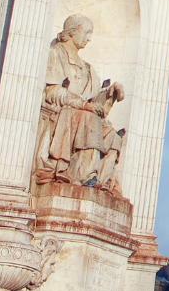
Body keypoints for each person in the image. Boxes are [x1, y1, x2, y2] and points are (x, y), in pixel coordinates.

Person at [35, 14, 126, 191]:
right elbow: (52, 91)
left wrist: (110, 94)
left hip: (82, 115)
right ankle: (82, 175)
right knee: (89, 118)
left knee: (113, 135)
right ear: (72, 31)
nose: (89, 39)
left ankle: (100, 181)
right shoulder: (55, 54)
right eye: (86, 32)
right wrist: (85, 106)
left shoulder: (87, 68)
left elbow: (94, 102)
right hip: (63, 113)